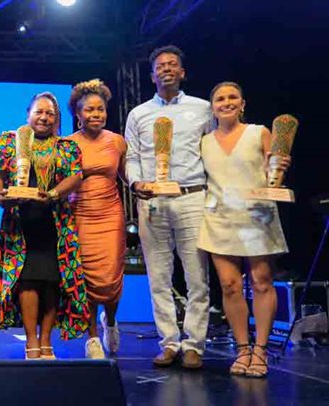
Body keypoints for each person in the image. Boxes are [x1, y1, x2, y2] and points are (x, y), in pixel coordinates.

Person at [125, 45, 211, 369]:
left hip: (192, 195)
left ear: (182, 72)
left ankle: (194, 345)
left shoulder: (203, 109)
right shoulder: (138, 114)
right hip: (152, 201)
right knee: (158, 278)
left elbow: (212, 151)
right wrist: (136, 184)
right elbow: (132, 157)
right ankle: (169, 343)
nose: (166, 69)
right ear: (151, 75)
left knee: (196, 276)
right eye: (160, 66)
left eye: (172, 64)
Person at [197, 81, 290, 378]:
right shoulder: (204, 141)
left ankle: (260, 350)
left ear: (243, 103)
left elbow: (273, 169)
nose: (226, 102)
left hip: (256, 217)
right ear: (212, 107)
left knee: (262, 281)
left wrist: (280, 164)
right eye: (220, 99)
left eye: (232, 97)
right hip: (219, 218)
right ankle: (242, 349)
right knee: (229, 285)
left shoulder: (258, 132)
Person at [0, 92, 87, 360]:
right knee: (27, 281)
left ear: (56, 119)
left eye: (50, 113)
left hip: (55, 223)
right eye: (39, 112)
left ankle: (46, 340)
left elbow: (76, 177)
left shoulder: (67, 147)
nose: (43, 117)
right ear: (28, 114)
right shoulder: (10, 141)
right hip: (20, 223)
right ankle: (31, 340)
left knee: (53, 282)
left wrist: (53, 195)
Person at [66, 79, 127, 358]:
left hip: (111, 215)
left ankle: (110, 322)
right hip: (80, 215)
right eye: (89, 110)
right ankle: (92, 337)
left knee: (111, 278)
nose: (96, 115)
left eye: (100, 109)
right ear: (78, 114)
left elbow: (128, 177)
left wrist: (146, 186)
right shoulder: (66, 144)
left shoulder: (117, 141)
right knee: (88, 279)